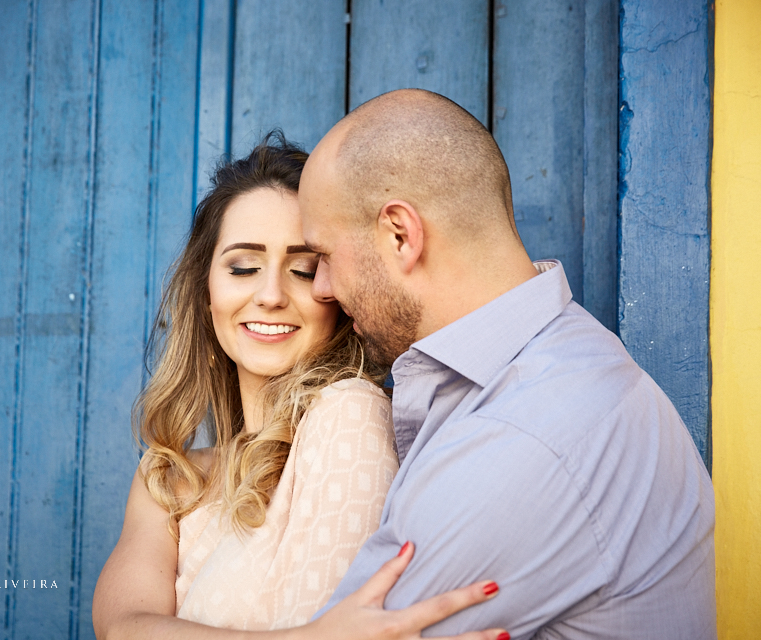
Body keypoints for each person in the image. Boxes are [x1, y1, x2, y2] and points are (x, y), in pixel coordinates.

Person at [297, 89, 717, 639]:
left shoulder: (521, 437)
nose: (321, 289)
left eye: (322, 256)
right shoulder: (566, 362)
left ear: (400, 235)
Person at [92, 135, 509, 640]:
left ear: (336, 294)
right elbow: (121, 627)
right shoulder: (170, 476)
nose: (270, 295)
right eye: (243, 267)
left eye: (303, 269)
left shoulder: (348, 418)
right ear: (206, 293)